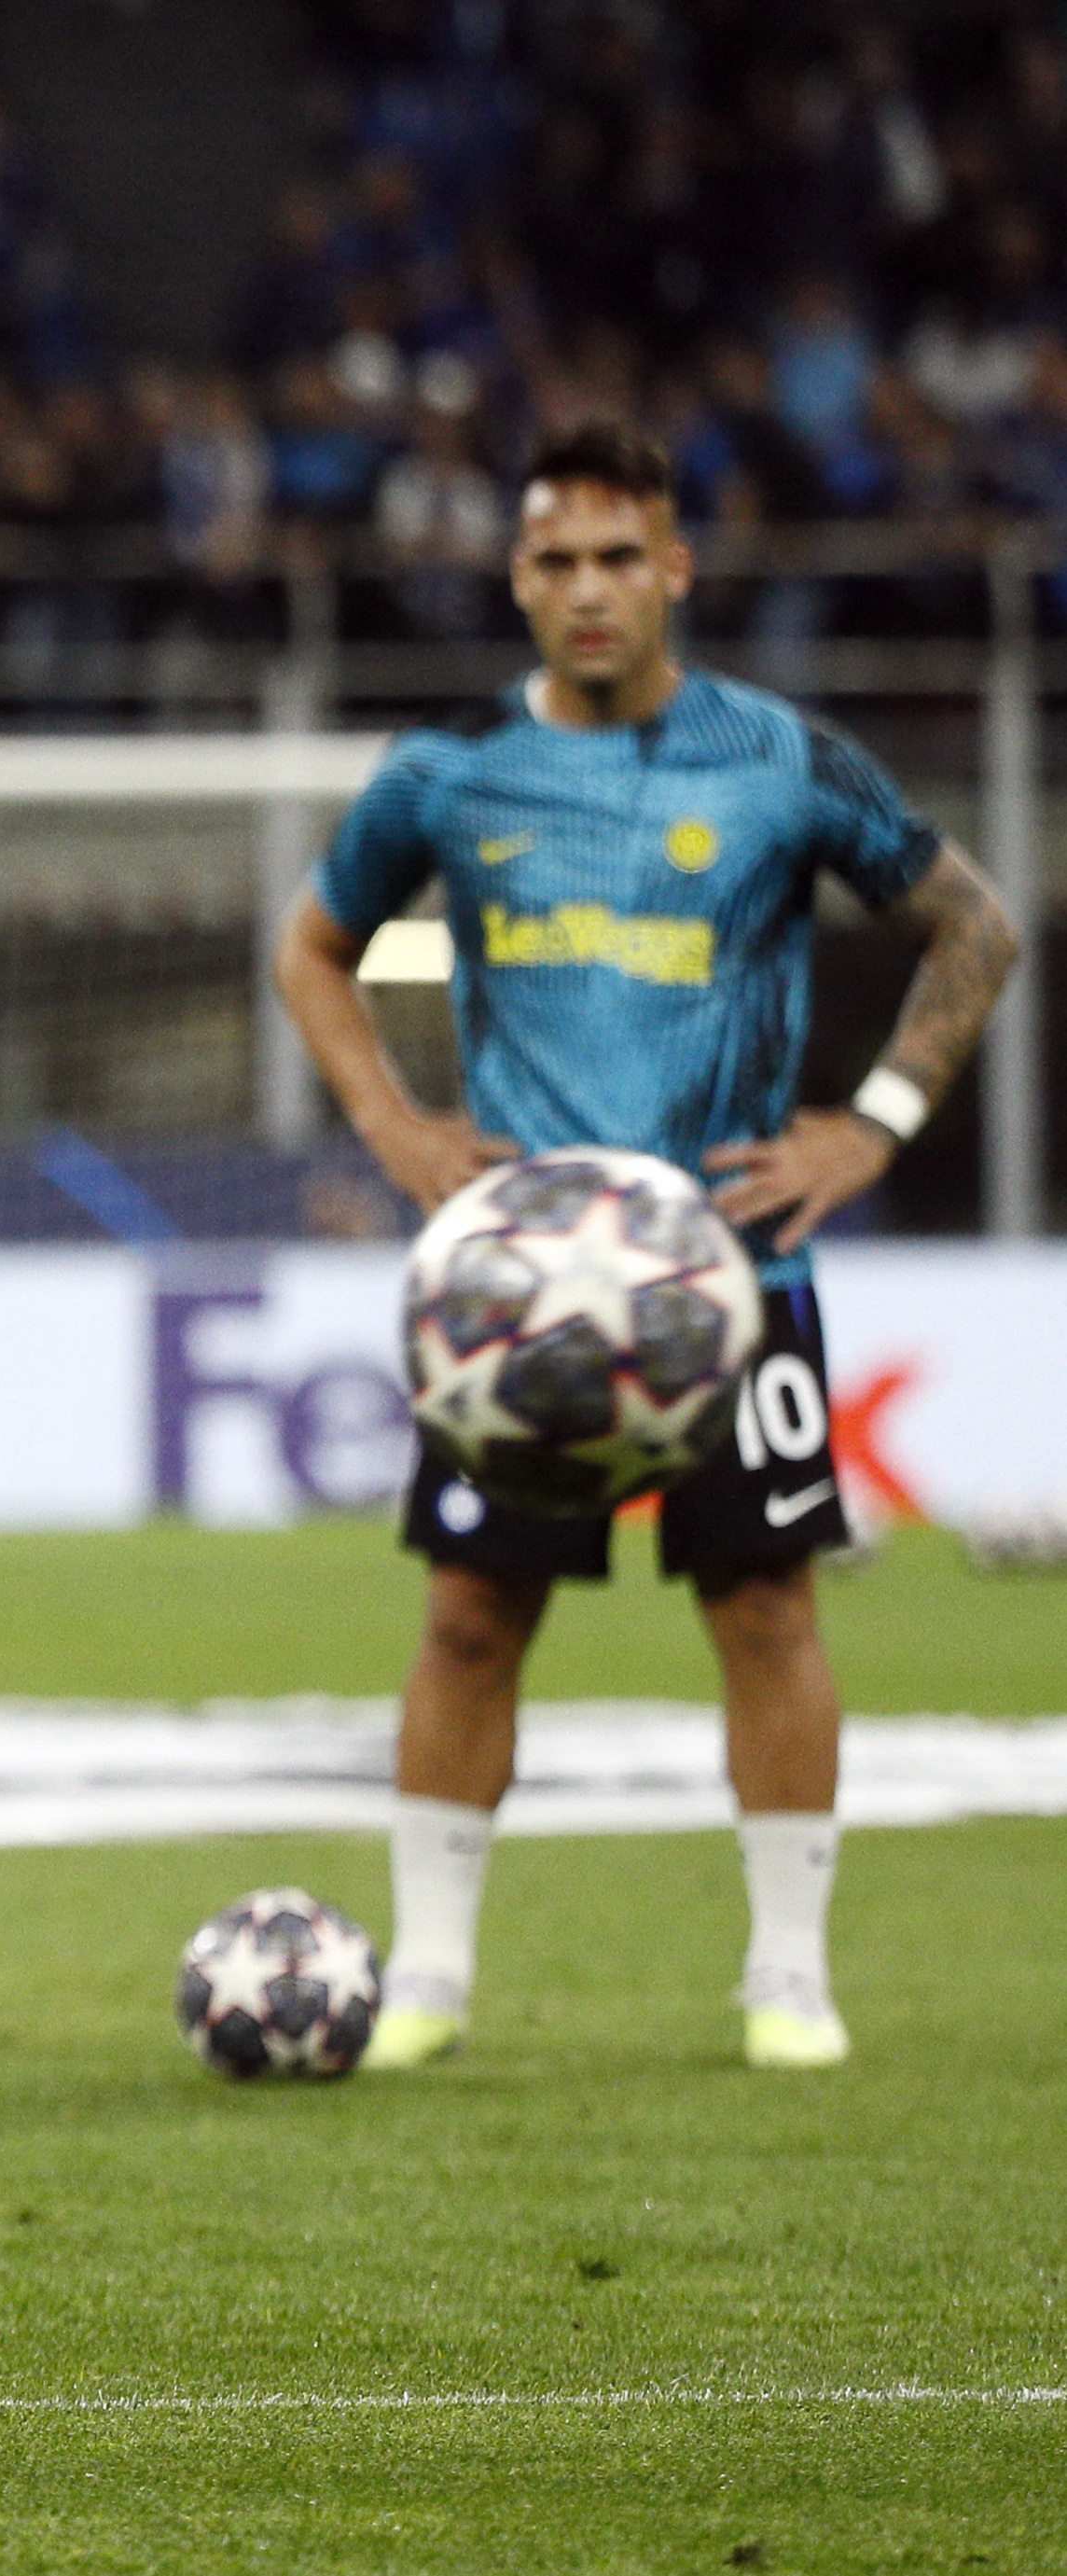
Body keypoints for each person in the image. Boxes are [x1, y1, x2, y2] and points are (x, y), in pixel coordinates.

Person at [277, 422, 1020, 2075]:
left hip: (734, 1273)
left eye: (623, 556)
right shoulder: (449, 768)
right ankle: (431, 1982)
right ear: (517, 577)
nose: (591, 589)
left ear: (676, 567)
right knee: (470, 1612)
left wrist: (876, 1122)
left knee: (765, 1607)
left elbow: (976, 922)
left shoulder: (778, 759)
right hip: (518, 1297)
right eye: (557, 559)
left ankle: (788, 1976)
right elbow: (314, 945)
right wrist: (397, 1130)